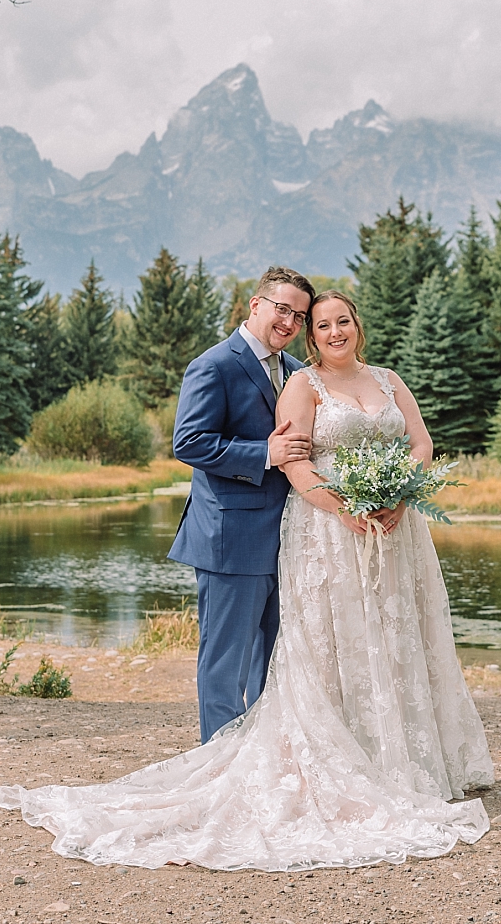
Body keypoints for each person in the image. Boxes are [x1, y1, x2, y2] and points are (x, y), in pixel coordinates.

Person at [0, 288, 493, 871]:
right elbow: (212, 445)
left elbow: (418, 442)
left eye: (328, 319)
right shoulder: (235, 367)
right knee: (232, 657)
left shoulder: (346, 374)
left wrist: (399, 496)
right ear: (258, 306)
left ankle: (385, 758)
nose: (318, 327)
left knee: (352, 648)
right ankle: (229, 762)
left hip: (374, 534)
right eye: (303, 316)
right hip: (276, 530)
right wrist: (328, 495)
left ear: (356, 325)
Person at [167, 266, 316, 743]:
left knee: (276, 656)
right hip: (230, 538)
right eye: (283, 309)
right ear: (256, 305)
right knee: (225, 659)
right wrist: (264, 455)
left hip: (290, 537)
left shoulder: (295, 372)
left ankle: (262, 758)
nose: (291, 322)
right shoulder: (214, 365)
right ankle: (217, 760)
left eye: (300, 315)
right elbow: (189, 442)